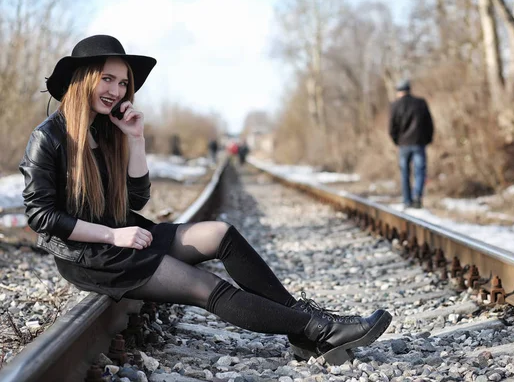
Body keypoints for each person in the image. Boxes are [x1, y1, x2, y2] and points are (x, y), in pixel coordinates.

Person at [19, 35, 392, 364]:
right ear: (83, 79)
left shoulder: (108, 129)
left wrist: (135, 139)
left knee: (220, 233)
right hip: (92, 256)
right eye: (107, 79)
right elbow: (40, 216)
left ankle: (300, 324)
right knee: (205, 286)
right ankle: (319, 330)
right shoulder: (49, 137)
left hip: (124, 236)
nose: (116, 90)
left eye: (122, 82)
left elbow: (136, 198)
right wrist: (112, 236)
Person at [389, 80, 434, 209]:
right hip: (419, 142)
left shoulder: (395, 105)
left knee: (405, 173)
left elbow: (392, 127)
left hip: (403, 144)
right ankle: (417, 197)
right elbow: (429, 124)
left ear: (398, 91)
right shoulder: (420, 103)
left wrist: (396, 140)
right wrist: (428, 139)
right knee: (419, 171)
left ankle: (407, 200)